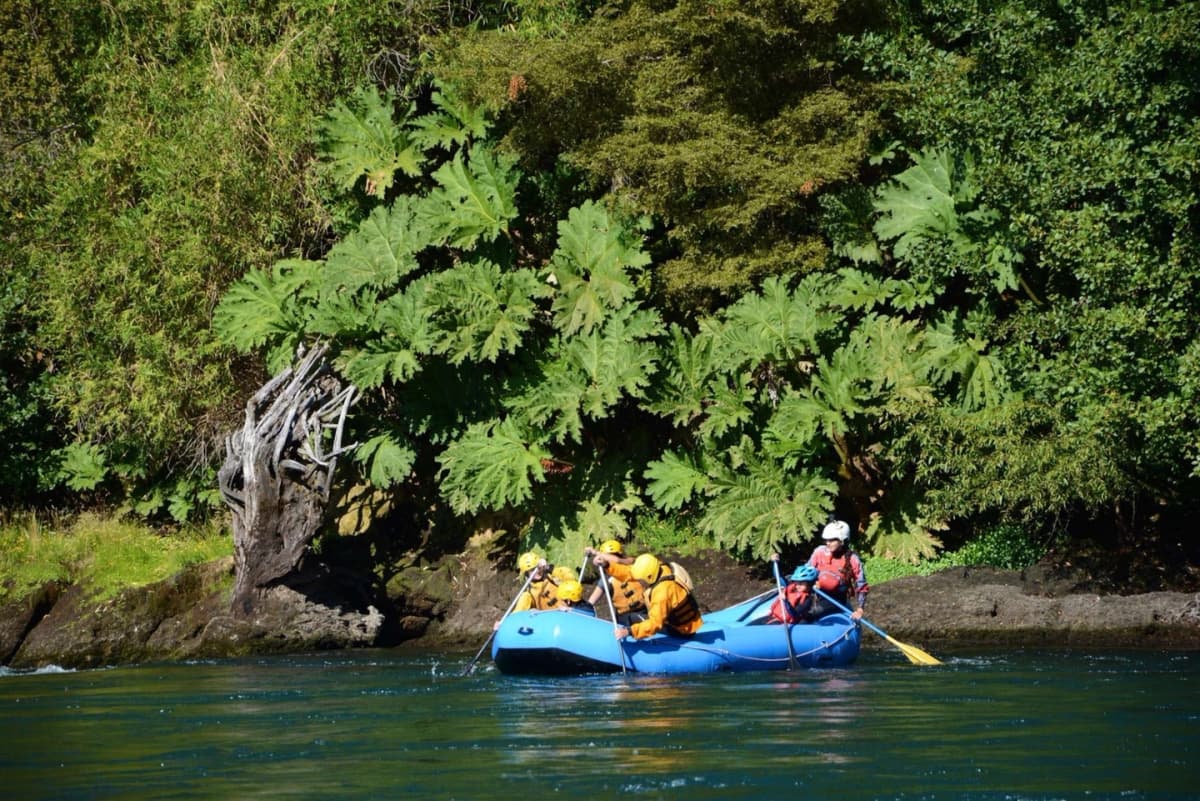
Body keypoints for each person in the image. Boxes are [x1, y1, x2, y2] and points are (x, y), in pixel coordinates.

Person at [593, 552, 703, 640]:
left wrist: (629, 631)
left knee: (629, 618)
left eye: (641, 580)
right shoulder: (659, 567)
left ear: (649, 577)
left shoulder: (662, 593)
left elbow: (655, 623)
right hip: (683, 622)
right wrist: (607, 565)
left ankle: (623, 638)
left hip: (681, 630)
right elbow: (630, 572)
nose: (638, 582)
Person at [806, 520, 868, 620]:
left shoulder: (853, 559)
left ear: (842, 541)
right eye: (826, 540)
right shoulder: (819, 552)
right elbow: (806, 571)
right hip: (816, 593)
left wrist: (860, 609)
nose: (827, 543)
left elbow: (861, 585)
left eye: (831, 540)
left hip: (835, 600)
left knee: (810, 615)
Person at [585, 539, 648, 626]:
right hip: (624, 617)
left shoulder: (631, 564)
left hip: (644, 610)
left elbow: (618, 560)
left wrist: (595, 552)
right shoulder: (605, 579)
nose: (607, 561)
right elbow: (591, 601)